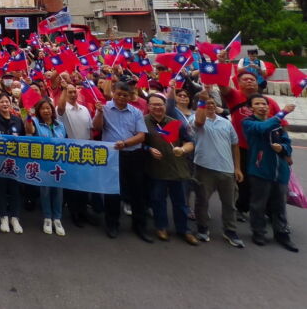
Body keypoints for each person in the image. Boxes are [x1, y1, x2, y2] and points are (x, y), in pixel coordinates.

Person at [217, 70, 283, 221]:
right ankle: (241, 207)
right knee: (243, 181)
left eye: (252, 79)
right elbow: (221, 85)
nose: (249, 81)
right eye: (245, 79)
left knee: (266, 181)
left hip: (265, 149)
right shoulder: (234, 96)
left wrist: (283, 147)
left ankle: (268, 211)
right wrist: (222, 63)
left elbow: (282, 125)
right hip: (240, 148)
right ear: (238, 83)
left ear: (257, 82)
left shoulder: (270, 102)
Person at [93, 79, 152, 242]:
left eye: (125, 95)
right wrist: (98, 113)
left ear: (130, 96)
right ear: (113, 93)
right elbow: (97, 128)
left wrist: (125, 143)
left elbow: (141, 136)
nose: (121, 97)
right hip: (112, 156)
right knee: (113, 191)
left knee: (137, 192)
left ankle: (139, 226)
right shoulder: (104, 108)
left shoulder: (136, 112)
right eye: (118, 94)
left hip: (133, 155)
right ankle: (112, 224)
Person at [243, 95, 298, 252]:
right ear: (250, 108)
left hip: (280, 172)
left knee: (280, 204)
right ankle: (258, 232)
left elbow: (287, 143)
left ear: (268, 107)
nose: (262, 106)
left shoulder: (278, 125)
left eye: (264, 103)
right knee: (258, 204)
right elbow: (263, 128)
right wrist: (282, 113)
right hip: (260, 171)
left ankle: (282, 233)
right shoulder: (248, 123)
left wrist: (283, 149)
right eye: (257, 103)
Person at [143, 93, 198, 245]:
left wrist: (183, 149)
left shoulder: (176, 123)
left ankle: (184, 229)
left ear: (165, 105)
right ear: (148, 107)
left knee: (180, 202)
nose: (157, 107)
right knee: (158, 200)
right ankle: (161, 227)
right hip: (156, 170)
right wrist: (148, 149)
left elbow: (190, 142)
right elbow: (140, 143)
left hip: (178, 170)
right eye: (153, 104)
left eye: (160, 104)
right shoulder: (143, 122)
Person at [192, 89, 244, 248]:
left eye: (213, 103)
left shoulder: (226, 122)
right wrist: (202, 100)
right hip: (204, 168)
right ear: (200, 106)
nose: (210, 106)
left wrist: (237, 168)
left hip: (227, 170)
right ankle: (202, 228)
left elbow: (235, 145)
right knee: (202, 201)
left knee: (229, 203)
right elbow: (199, 122)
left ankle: (230, 230)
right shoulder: (194, 119)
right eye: (207, 104)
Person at [56, 81, 96, 227]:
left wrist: (91, 145)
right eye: (69, 92)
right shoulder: (62, 109)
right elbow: (60, 109)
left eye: (74, 92)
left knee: (84, 184)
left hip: (86, 150)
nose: (72, 94)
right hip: (71, 151)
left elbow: (90, 129)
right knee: (72, 184)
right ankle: (75, 213)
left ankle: (84, 211)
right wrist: (64, 89)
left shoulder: (84, 109)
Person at [26, 98, 67, 236]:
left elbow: (66, 143)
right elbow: (29, 130)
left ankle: (57, 219)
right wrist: (28, 117)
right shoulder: (36, 123)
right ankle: (47, 218)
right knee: (45, 191)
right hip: (43, 164)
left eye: (48, 108)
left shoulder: (60, 125)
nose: (46, 110)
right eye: (43, 108)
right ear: (39, 111)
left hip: (58, 164)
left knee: (58, 192)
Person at [0, 91, 24, 235]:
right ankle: (3, 216)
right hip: (0, 161)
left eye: (7, 101)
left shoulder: (17, 119)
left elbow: (25, 136)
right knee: (1, 189)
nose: (5, 104)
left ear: (10, 103)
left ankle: (15, 217)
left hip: (15, 161)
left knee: (15, 189)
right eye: (1, 102)